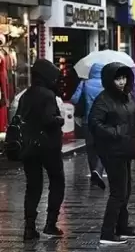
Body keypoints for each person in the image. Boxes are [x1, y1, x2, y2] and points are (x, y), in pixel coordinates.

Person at [88, 62, 135, 244]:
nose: (121, 81)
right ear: (109, 79)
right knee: (118, 192)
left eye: (124, 77)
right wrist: (116, 132)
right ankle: (107, 233)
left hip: (126, 148)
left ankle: (122, 227)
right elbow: (94, 123)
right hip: (112, 151)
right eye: (117, 78)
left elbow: (133, 117)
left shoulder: (127, 96)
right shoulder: (103, 100)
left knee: (125, 191)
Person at [18, 59, 65, 240]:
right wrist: (59, 120)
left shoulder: (25, 95)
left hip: (29, 148)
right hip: (48, 147)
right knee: (57, 181)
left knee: (33, 187)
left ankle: (29, 227)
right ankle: (50, 223)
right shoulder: (47, 95)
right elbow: (49, 119)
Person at [70, 63, 106, 189]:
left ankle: (93, 174)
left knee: (91, 149)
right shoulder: (107, 84)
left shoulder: (85, 83)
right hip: (104, 121)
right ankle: (99, 171)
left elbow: (74, 99)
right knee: (103, 147)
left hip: (88, 121)